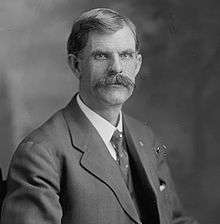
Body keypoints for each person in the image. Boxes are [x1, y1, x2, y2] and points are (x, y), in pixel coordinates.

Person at [1, 8, 198, 224]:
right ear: (76, 65)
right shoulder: (40, 153)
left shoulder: (146, 137)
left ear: (137, 64)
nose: (116, 68)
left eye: (125, 55)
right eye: (101, 56)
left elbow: (173, 220)